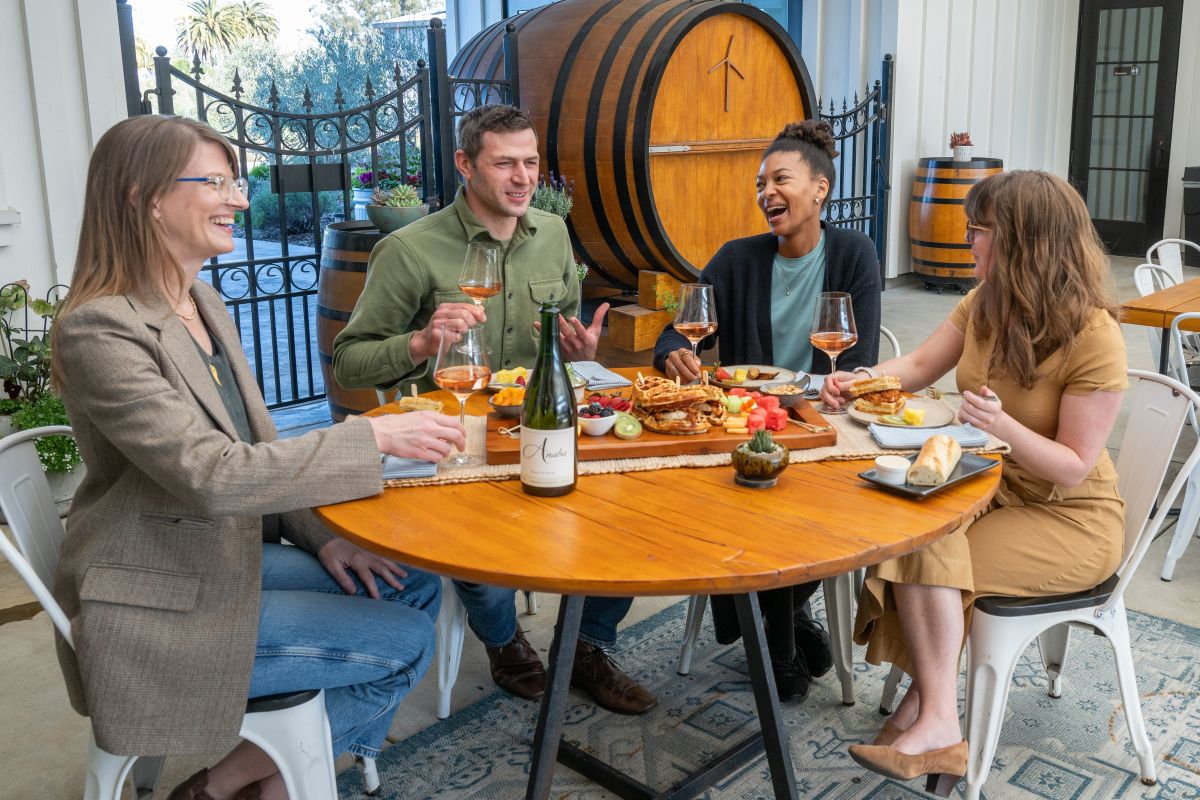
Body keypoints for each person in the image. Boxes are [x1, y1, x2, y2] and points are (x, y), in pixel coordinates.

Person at [51, 116, 469, 800]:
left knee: (411, 583)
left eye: (236, 183)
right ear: (144, 197)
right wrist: (371, 439)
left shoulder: (202, 301)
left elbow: (257, 451)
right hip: (156, 596)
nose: (240, 201)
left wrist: (322, 538)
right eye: (216, 183)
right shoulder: (100, 328)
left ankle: (240, 781)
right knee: (407, 643)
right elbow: (213, 474)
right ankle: (249, 786)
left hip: (212, 554)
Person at [333, 104, 656, 714]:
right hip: (451, 435)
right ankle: (504, 641)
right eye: (505, 163)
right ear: (465, 163)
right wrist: (422, 343)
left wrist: (580, 350)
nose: (523, 177)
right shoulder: (410, 249)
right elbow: (349, 362)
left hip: (542, 425)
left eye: (530, 162)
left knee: (634, 513)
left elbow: (562, 335)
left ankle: (587, 646)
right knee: (473, 545)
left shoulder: (553, 234)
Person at [821, 170, 1126, 795]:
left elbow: (1073, 464)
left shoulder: (1095, 335)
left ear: (1024, 241)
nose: (967, 241)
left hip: (1070, 516)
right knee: (915, 528)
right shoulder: (987, 301)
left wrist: (1002, 424)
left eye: (980, 229)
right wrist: (859, 381)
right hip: (992, 484)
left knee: (929, 555)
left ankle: (935, 721)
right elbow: (916, 365)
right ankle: (929, 710)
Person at [653, 120, 882, 701]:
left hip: (820, 425)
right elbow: (675, 332)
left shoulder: (854, 254)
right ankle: (785, 634)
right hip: (748, 429)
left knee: (820, 510)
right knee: (755, 502)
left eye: (780, 179)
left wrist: (837, 388)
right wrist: (675, 351)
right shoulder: (736, 259)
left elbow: (861, 360)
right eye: (760, 184)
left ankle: (773, 630)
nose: (766, 193)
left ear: (820, 189)